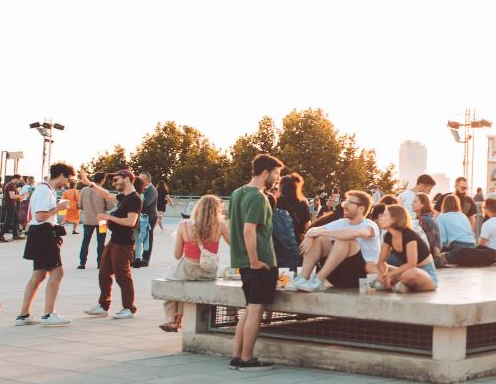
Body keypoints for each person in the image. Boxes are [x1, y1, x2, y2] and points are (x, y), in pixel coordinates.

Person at [224, 154, 283, 371]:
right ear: (265, 172)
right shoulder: (258, 197)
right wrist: (255, 260)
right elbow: (249, 230)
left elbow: (232, 226)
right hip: (260, 262)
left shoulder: (237, 193)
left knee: (249, 309)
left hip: (243, 261)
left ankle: (237, 355)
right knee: (256, 310)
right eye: (276, 173)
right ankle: (247, 358)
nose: (277, 178)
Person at [15, 164, 76, 327]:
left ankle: (23, 315)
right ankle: (48, 314)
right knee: (57, 273)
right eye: (68, 178)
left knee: (39, 275)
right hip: (44, 233)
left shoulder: (44, 189)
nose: (68, 183)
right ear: (62, 175)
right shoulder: (44, 190)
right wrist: (59, 208)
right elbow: (41, 216)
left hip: (39, 233)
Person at [292, 191, 380, 291]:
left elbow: (354, 234)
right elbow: (313, 230)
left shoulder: (369, 225)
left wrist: (320, 232)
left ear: (361, 208)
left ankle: (318, 280)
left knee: (345, 239)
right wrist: (310, 237)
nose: (344, 205)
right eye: (345, 202)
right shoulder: (342, 222)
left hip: (361, 277)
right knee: (320, 239)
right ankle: (303, 277)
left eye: (349, 203)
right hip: (338, 275)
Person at [162, 194, 224, 330]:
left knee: (171, 284)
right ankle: (177, 320)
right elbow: (235, 244)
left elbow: (177, 255)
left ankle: (172, 320)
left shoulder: (184, 225)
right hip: (209, 272)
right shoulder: (221, 225)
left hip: (187, 270)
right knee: (186, 287)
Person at [85, 170, 141, 320]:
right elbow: (107, 195)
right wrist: (90, 184)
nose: (114, 183)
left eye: (116, 180)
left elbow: (131, 222)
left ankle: (128, 308)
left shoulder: (134, 199)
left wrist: (108, 217)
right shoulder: (124, 197)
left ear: (127, 179)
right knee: (104, 273)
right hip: (114, 240)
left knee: (122, 276)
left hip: (124, 243)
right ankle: (103, 306)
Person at [373, 205, 438, 293]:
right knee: (374, 266)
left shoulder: (409, 235)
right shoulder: (388, 236)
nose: (380, 218)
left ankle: (400, 283)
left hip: (425, 275)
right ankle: (400, 284)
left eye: (384, 215)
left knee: (410, 273)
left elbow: (412, 264)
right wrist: (385, 275)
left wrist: (390, 275)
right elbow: (381, 261)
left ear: (395, 219)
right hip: (406, 272)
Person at [75, 175, 116, 270]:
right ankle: (100, 263)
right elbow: (110, 207)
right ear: (102, 180)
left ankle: (82, 263)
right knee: (101, 242)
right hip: (101, 220)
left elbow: (80, 205)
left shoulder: (84, 190)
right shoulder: (103, 191)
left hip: (88, 220)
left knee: (85, 241)